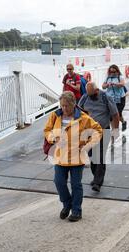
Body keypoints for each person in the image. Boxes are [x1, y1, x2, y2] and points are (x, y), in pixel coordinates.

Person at [44, 91, 102, 222]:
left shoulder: (83, 118)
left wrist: (87, 146)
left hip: (77, 157)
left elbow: (98, 130)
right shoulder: (55, 115)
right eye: (62, 105)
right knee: (58, 182)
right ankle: (67, 204)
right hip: (60, 157)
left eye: (66, 106)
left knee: (76, 185)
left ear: (73, 105)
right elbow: (47, 130)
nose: (64, 108)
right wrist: (53, 138)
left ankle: (76, 211)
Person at [78, 82, 120, 192]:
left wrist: (115, 130)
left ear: (97, 90)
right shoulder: (85, 97)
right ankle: (96, 176)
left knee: (99, 156)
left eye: (92, 95)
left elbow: (115, 114)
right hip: (88, 132)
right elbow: (78, 110)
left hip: (103, 130)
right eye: (89, 94)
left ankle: (97, 182)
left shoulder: (106, 97)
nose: (90, 97)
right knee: (92, 156)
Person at [102, 64, 127, 132]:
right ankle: (114, 129)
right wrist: (107, 85)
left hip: (120, 98)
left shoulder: (120, 77)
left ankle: (123, 122)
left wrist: (115, 84)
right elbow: (103, 86)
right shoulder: (107, 78)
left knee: (118, 113)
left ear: (117, 71)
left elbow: (122, 84)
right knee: (111, 115)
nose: (112, 73)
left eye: (114, 72)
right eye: (111, 72)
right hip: (110, 98)